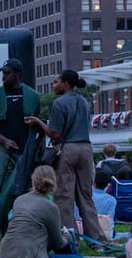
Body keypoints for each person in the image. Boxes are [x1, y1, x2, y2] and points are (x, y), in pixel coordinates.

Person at [26, 69, 108, 245]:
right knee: (85, 196)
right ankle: (97, 240)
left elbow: (55, 134)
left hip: (68, 149)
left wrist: (39, 122)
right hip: (86, 149)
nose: (53, 85)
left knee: (64, 197)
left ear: (66, 84)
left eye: (56, 82)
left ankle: (70, 239)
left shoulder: (59, 103)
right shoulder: (84, 101)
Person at [0, 57, 41, 233]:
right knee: (0, 190)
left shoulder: (33, 97)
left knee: (28, 191)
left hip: (26, 150)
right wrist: (3, 140)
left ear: (18, 74)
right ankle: (3, 232)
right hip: (2, 151)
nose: (3, 77)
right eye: (2, 73)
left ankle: (24, 230)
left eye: (7, 73)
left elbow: (41, 123)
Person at [0, 165, 89, 258]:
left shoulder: (19, 200)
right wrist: (67, 236)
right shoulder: (50, 207)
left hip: (5, 257)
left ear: (33, 180)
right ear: (53, 183)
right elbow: (59, 242)